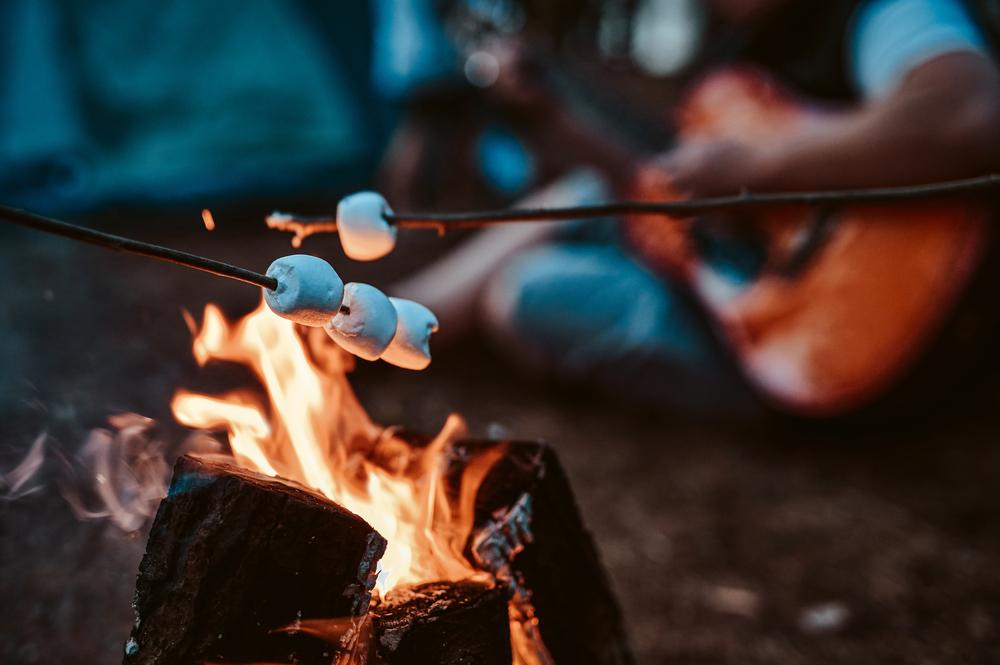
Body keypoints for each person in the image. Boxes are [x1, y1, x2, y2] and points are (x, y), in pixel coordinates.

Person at [391, 0, 1000, 418]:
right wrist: (548, 112)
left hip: (847, 347)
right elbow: (672, 187)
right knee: (555, 249)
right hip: (754, 291)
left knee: (529, 296)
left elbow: (967, 116)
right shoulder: (742, 51)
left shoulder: (883, 13)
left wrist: (759, 169)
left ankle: (397, 329)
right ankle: (400, 324)